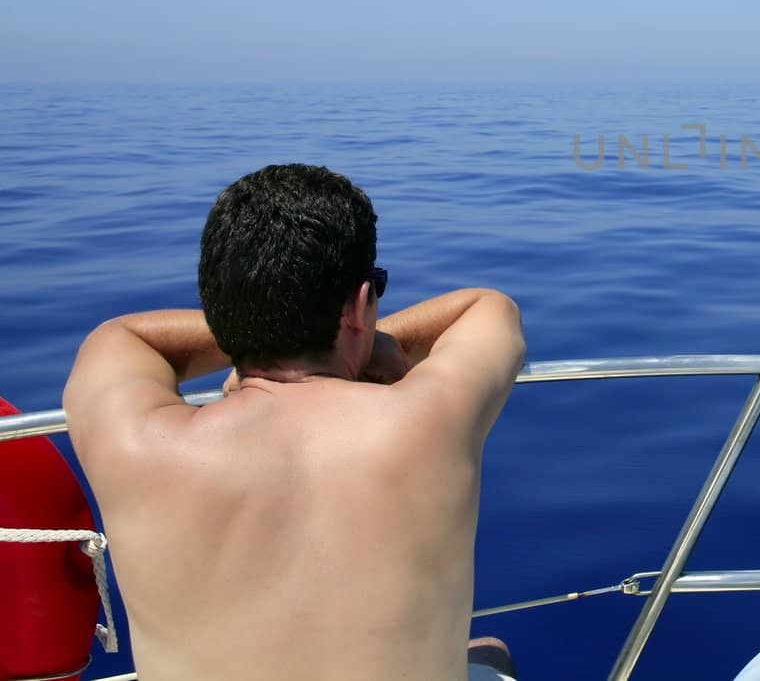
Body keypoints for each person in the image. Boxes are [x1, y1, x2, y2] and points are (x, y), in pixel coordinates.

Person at [63, 163, 528, 681]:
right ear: (358, 304)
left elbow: (119, 336)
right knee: (490, 650)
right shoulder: (431, 419)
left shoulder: (135, 441)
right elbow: (491, 308)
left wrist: (257, 324)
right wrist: (363, 335)